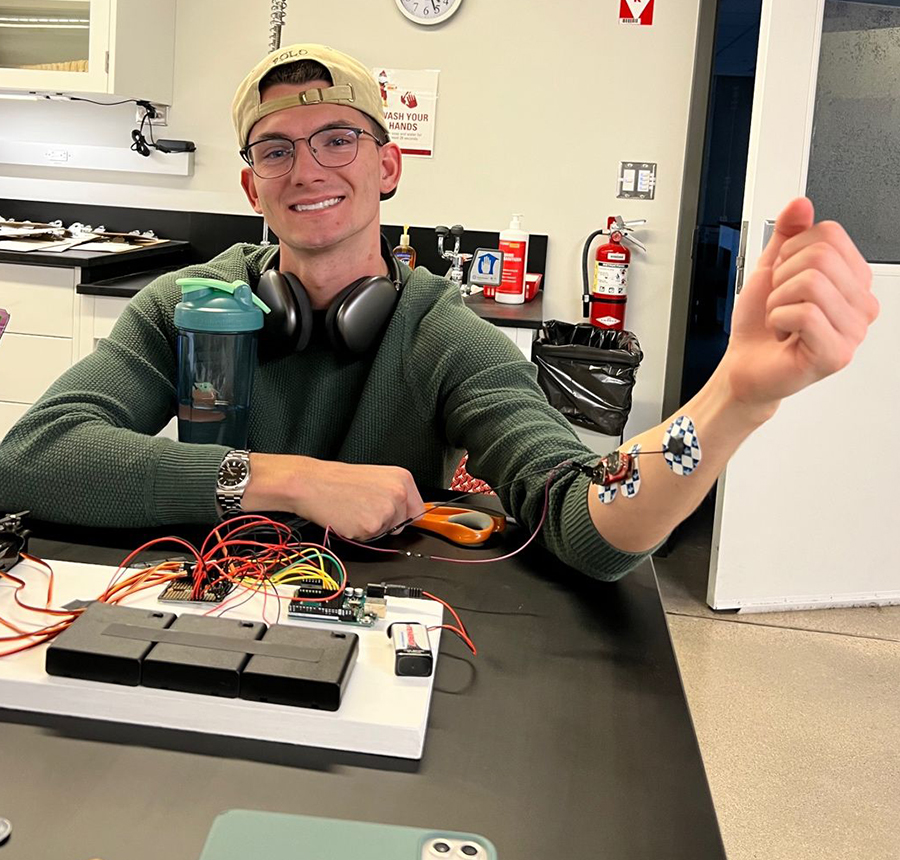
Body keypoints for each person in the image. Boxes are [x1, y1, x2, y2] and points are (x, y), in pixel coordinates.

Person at [0, 44, 879, 582]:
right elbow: (30, 458)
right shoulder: (185, 304)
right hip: (202, 596)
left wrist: (734, 400)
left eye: (338, 139)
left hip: (378, 629)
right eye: (276, 150)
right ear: (249, 184)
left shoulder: (444, 333)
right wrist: (291, 477)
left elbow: (583, 519)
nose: (308, 170)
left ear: (387, 166)